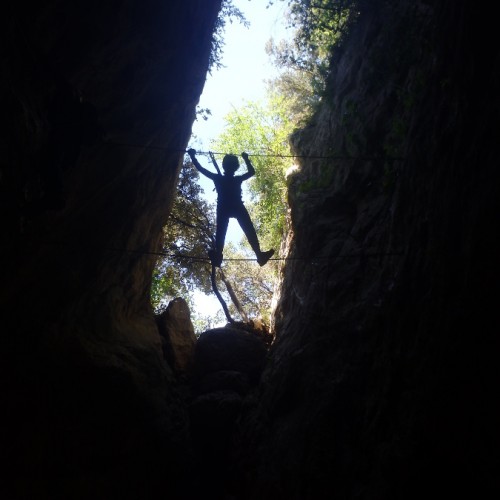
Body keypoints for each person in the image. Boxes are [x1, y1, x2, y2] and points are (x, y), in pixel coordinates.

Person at [188, 149, 274, 267]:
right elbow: (251, 172)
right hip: (237, 205)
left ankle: (218, 256)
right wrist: (246, 159)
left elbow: (201, 169)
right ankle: (259, 255)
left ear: (223, 166)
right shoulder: (236, 179)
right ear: (236, 167)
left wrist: (192, 156)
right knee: (249, 230)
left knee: (221, 232)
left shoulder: (218, 178)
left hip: (224, 207)